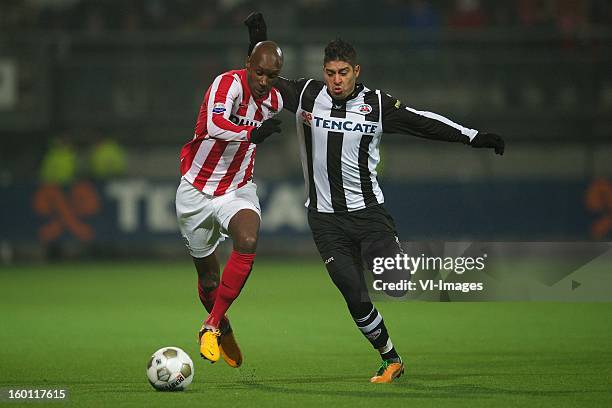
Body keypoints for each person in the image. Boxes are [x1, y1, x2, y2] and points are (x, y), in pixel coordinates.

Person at [245, 13, 504, 383]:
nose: (336, 80)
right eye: (330, 72)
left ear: (356, 71)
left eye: (343, 73)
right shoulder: (305, 94)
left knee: (395, 286)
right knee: (352, 292)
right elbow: (261, 73)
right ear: (323, 71)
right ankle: (391, 359)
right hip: (324, 219)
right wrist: (258, 38)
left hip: (368, 215)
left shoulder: (378, 105)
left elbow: (423, 122)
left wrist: (474, 136)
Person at [175, 40, 285, 366]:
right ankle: (223, 326)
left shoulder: (276, 99)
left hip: (237, 190)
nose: (264, 81)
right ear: (248, 64)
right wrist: (251, 134)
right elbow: (214, 125)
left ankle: (210, 325)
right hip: (195, 190)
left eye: (272, 75)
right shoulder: (228, 83)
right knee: (209, 279)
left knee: (248, 239)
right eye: (260, 72)